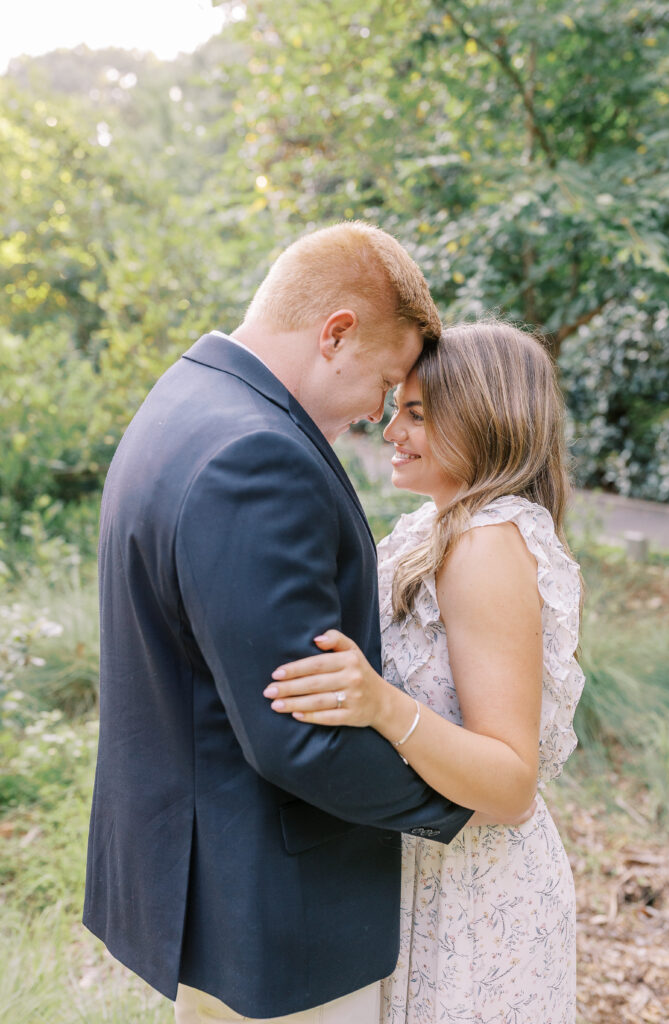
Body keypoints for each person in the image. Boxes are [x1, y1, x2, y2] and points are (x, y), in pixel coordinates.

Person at [83, 222, 477, 1024]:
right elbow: (302, 732)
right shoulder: (256, 456)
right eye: (387, 379)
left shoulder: (183, 398)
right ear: (336, 334)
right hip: (281, 911)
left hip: (216, 887)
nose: (379, 412)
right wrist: (467, 795)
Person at [265, 321, 585, 1023]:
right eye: (394, 409)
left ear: (484, 412)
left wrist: (381, 706)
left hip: (475, 896)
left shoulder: (487, 546)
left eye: (415, 413)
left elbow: (509, 785)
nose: (390, 433)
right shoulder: (429, 527)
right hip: (415, 870)